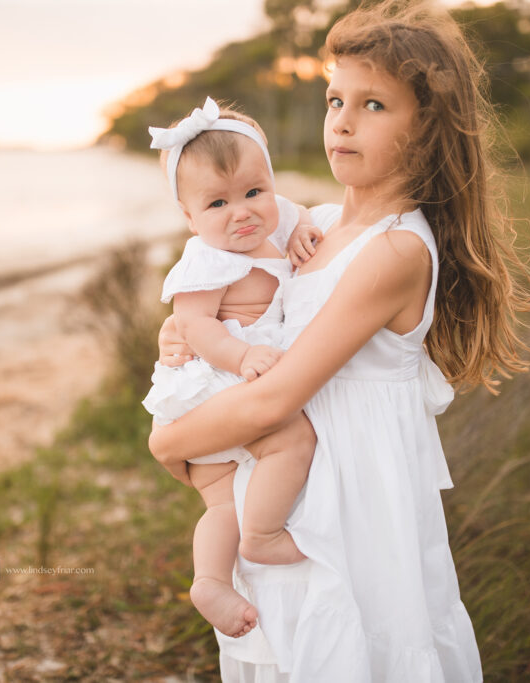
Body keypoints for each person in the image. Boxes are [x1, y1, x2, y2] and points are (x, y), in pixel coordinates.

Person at [149, 1, 530, 680]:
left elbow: (275, 398)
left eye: (373, 105)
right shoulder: (320, 224)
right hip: (291, 486)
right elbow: (252, 308)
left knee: (358, 644)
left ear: (427, 129)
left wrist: (168, 442)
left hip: (355, 493)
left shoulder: (394, 250)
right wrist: (183, 329)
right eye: (336, 100)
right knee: (291, 644)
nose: (342, 121)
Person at [141, 98, 323, 640]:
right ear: (189, 217)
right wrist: (242, 357)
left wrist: (301, 227)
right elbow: (194, 326)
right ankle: (261, 537)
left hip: (234, 385)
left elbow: (297, 211)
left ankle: (211, 581)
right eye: (217, 202)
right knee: (291, 440)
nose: (242, 212)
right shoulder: (207, 258)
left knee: (221, 502)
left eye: (253, 192)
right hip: (217, 382)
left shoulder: (274, 218)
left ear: (271, 183)